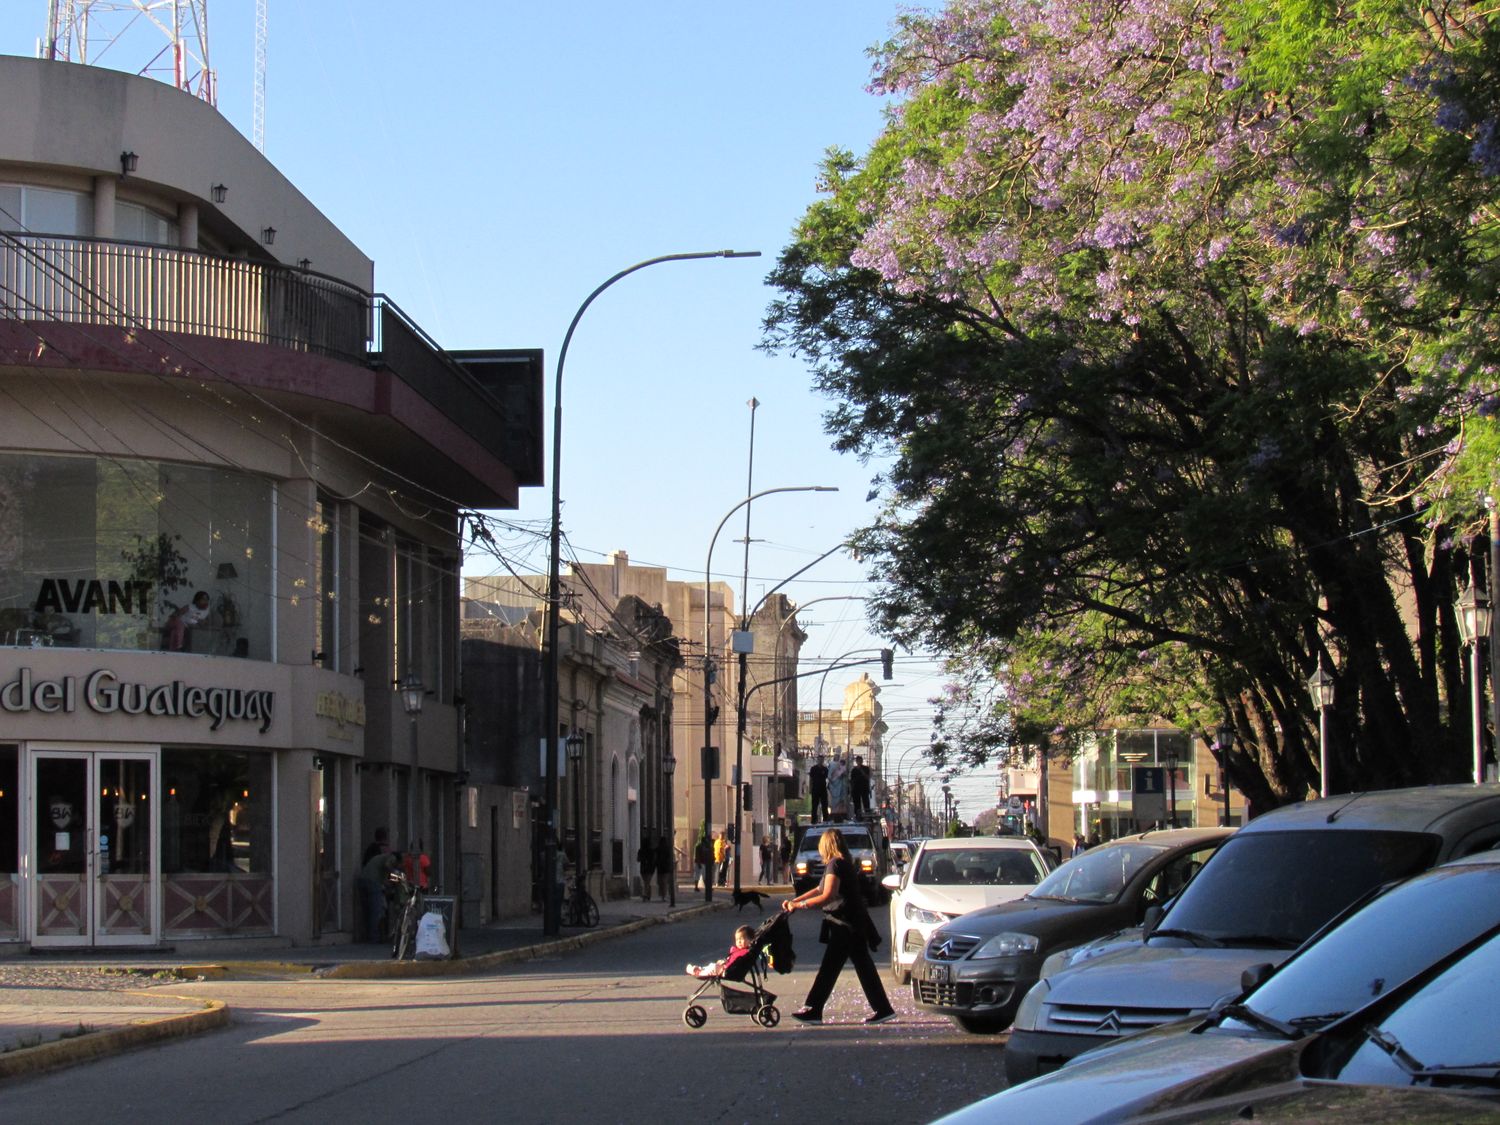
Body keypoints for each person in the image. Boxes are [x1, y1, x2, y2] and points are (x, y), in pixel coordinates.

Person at [781, 828, 895, 1025]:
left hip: (845, 924)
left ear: (826, 845)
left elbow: (828, 895)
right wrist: (794, 901)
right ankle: (882, 1008)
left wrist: (799, 906)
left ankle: (814, 1009)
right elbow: (819, 888)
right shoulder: (841, 863)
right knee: (859, 966)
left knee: (831, 968)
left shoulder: (836, 864)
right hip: (852, 922)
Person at [359, 838, 397, 943]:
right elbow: (387, 866)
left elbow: (384, 878)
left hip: (364, 879)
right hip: (372, 882)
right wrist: (395, 874)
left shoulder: (379, 858)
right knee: (376, 911)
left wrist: (389, 882)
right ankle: (374, 938)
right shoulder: (391, 857)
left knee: (369, 910)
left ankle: (370, 935)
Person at [685, 924, 756, 978]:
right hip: (725, 967)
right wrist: (724, 962)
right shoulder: (738, 951)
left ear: (750, 940)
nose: (739, 942)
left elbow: (734, 964)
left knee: (712, 968)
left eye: (742, 939)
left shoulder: (745, 952)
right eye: (737, 940)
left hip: (727, 971)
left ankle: (697, 972)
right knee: (711, 965)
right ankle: (698, 969)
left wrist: (724, 966)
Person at [809, 754, 830, 822]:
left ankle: (825, 819)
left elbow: (828, 778)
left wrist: (828, 787)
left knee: (825, 804)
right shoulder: (813, 768)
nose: (820, 761)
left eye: (822, 760)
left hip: (823, 788)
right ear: (817, 760)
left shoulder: (825, 769)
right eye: (819, 759)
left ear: (823, 760)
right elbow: (811, 779)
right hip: (815, 788)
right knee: (814, 805)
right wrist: (810, 788)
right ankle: (814, 820)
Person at [828, 755, 849, 819]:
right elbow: (829, 776)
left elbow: (845, 774)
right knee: (835, 800)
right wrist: (833, 780)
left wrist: (843, 774)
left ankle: (842, 813)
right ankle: (835, 813)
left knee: (842, 799)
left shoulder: (843, 766)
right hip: (835, 785)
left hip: (842, 785)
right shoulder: (832, 764)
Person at [637, 836, 656, 901]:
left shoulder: (640, 850)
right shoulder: (651, 851)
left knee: (646, 882)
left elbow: (638, 859)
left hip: (643, 868)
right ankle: (648, 895)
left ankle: (645, 895)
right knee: (647, 882)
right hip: (650, 868)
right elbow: (653, 859)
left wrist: (643, 859)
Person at [655, 834, 673, 899]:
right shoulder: (667, 849)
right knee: (664, 881)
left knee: (660, 881)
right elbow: (670, 857)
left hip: (659, 867)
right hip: (666, 867)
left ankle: (662, 893)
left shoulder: (658, 848)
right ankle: (664, 895)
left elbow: (655, 857)